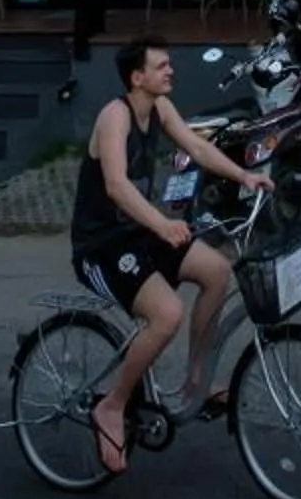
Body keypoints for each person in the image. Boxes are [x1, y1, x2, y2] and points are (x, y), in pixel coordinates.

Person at [72, 38, 265, 476]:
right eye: (161, 66)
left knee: (217, 271)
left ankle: (196, 382)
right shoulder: (114, 116)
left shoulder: (158, 108)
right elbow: (116, 186)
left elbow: (196, 148)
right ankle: (112, 406)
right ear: (137, 77)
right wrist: (161, 225)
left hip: (136, 233)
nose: (170, 72)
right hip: (99, 246)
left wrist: (244, 175)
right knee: (167, 315)